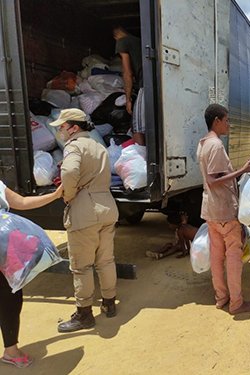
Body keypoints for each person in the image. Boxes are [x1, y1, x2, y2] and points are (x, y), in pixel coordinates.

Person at [49, 109, 119, 333]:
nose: (60, 130)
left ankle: (84, 314)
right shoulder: (99, 147)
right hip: (107, 207)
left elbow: (69, 172)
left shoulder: (74, 146)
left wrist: (68, 195)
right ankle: (109, 303)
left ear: (74, 127)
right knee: (106, 260)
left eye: (62, 126)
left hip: (84, 211)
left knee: (81, 266)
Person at [197, 104, 250, 315]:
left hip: (211, 211)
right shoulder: (215, 146)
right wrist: (243, 170)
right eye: (227, 120)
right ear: (217, 121)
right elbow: (214, 181)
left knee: (216, 255)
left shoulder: (203, 143)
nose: (229, 124)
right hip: (223, 210)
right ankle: (236, 303)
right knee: (233, 255)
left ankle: (221, 298)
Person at [0, 181, 63, 368]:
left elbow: (22, 202)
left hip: (3, 250)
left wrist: (54, 196)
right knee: (9, 297)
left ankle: (11, 350)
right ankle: (11, 351)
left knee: (10, 295)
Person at [112, 25, 145, 146]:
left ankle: (141, 160)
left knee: (137, 127)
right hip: (154, 83)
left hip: (145, 84)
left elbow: (127, 72)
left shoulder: (122, 42)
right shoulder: (138, 41)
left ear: (116, 35)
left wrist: (128, 98)